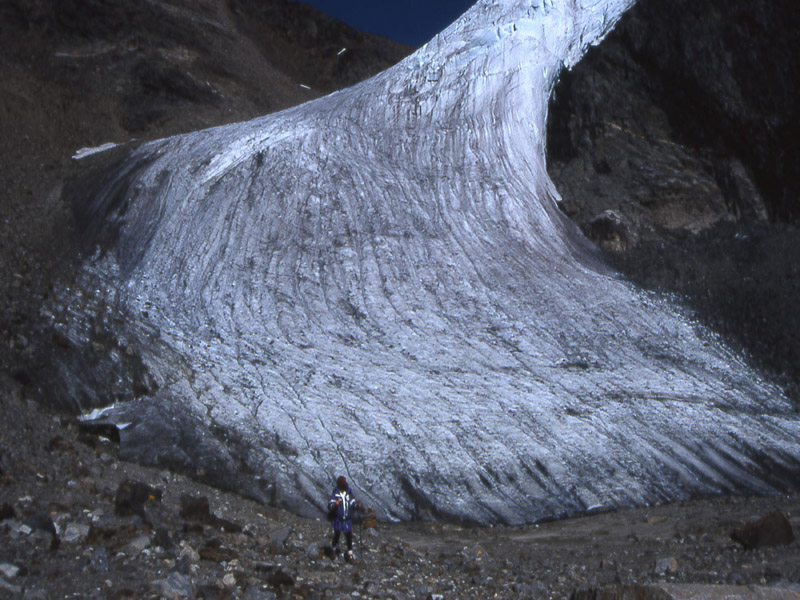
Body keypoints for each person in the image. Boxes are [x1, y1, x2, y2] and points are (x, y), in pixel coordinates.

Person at [327, 475, 362, 562]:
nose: (345, 484)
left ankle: (350, 555)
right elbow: (330, 504)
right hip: (338, 519)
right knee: (337, 535)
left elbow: (352, 502)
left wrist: (356, 505)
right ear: (339, 484)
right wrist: (335, 505)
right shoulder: (335, 493)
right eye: (343, 482)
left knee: (349, 537)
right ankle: (333, 551)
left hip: (347, 519)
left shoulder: (348, 493)